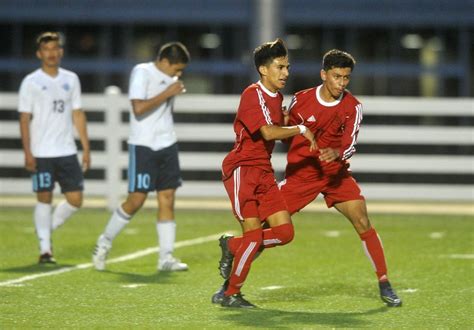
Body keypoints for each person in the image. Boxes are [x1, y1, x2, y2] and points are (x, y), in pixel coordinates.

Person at [279, 49, 402, 307]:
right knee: (271, 227)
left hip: (335, 175)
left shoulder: (353, 107)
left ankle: (384, 282)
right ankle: (232, 280)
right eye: (337, 77)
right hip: (302, 175)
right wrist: (283, 121)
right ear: (324, 74)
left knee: (362, 220)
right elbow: (285, 133)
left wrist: (337, 153)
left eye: (346, 78)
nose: (342, 83)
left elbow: (350, 145)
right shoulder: (301, 99)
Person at [213, 38, 316, 308]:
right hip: (243, 170)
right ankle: (230, 294)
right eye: (280, 67)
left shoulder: (277, 97)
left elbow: (277, 130)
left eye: (287, 67)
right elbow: (268, 132)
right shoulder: (252, 94)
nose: (286, 73)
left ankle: (233, 246)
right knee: (254, 237)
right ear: (263, 69)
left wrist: (293, 118)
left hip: (264, 172)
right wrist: (301, 129)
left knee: (284, 232)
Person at [92, 42, 190, 272]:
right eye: (176, 68)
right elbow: (138, 108)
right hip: (144, 145)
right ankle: (104, 242)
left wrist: (171, 89)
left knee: (167, 198)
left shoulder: (172, 79)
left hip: (167, 144)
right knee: (136, 200)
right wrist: (167, 92)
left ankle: (166, 257)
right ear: (165, 61)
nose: (179, 74)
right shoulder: (142, 72)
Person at [18, 31, 91, 264]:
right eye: (46, 50)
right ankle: (45, 249)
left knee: (75, 199)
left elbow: (77, 113)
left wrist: (86, 148)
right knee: (44, 198)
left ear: (60, 51)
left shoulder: (71, 79)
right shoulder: (31, 82)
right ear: (39, 54)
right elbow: (24, 119)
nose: (51, 53)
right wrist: (28, 152)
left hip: (67, 151)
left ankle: (45, 230)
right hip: (41, 152)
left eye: (55, 49)